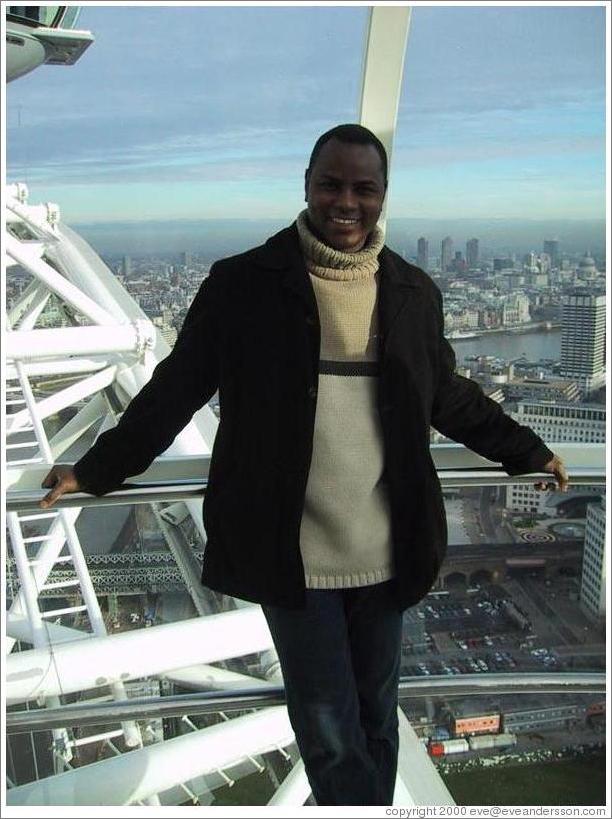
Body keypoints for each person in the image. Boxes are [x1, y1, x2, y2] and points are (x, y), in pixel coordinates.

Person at [41, 124, 568, 806]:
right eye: (331, 183)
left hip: (386, 547)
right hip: (293, 554)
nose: (345, 201)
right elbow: (176, 390)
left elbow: (446, 396)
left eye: (363, 187)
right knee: (327, 726)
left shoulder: (412, 292)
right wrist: (96, 468)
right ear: (308, 186)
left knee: (377, 719)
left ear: (383, 196)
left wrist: (526, 448)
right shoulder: (242, 286)